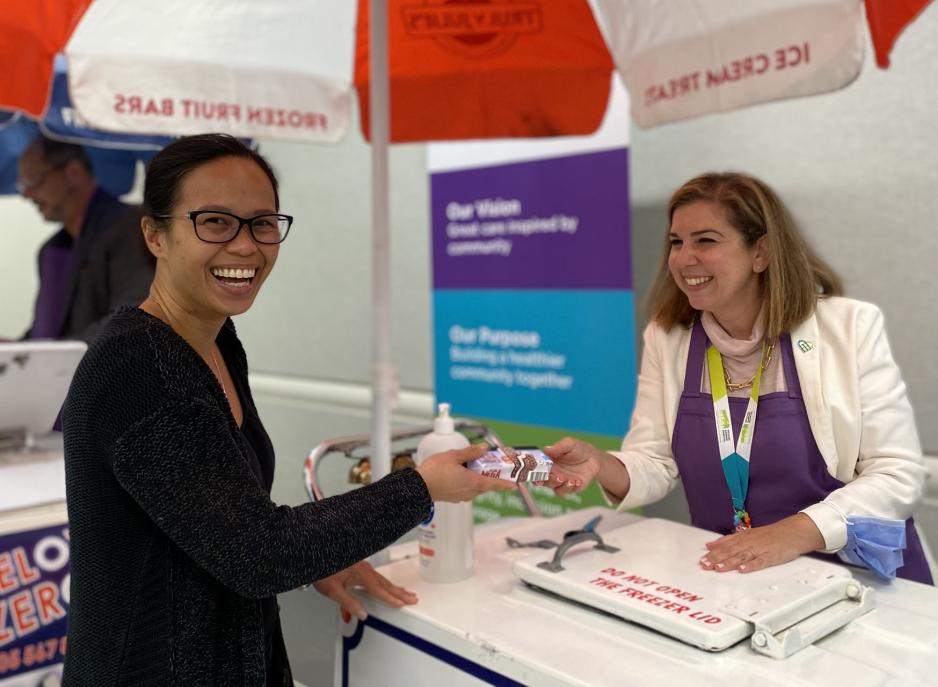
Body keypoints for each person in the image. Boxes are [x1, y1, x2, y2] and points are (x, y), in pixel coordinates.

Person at [61, 134, 515, 685]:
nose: (246, 246)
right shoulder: (137, 366)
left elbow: (226, 518)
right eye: (215, 222)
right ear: (155, 235)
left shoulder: (216, 343)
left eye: (263, 223)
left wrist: (319, 555)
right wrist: (421, 487)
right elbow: (256, 553)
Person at [543, 172, 932, 585]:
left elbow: (897, 473)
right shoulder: (669, 336)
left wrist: (795, 533)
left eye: (706, 240)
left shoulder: (848, 328)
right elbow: (655, 461)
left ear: (760, 252)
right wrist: (600, 464)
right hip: (738, 577)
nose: (683, 257)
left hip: (856, 580)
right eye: (677, 242)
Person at [17, 135, 154, 342]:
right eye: (23, 185)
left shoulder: (131, 228)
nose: (27, 195)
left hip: (113, 372)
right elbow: (50, 333)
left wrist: (53, 354)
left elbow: (134, 318)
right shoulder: (51, 250)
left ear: (74, 172)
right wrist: (15, 350)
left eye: (34, 181)